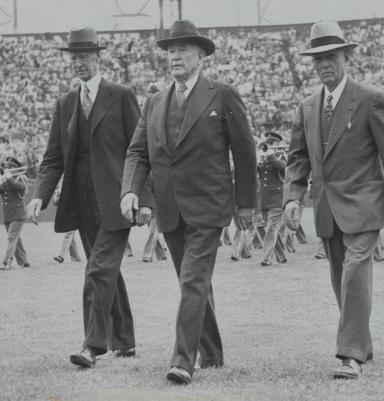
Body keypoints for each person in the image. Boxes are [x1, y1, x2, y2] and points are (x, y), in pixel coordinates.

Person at [120, 19, 257, 384]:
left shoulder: (223, 94)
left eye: (182, 49)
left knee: (194, 279)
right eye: (170, 50)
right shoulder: (154, 101)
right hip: (169, 209)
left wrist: (246, 203)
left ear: (201, 56)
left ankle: (184, 359)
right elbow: (137, 152)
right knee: (191, 282)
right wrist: (131, 190)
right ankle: (212, 353)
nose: (175, 56)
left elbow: (245, 151)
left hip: (210, 207)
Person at [283, 21, 384, 379]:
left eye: (331, 56)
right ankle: (362, 344)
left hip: (364, 205)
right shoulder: (307, 107)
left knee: (355, 272)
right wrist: (292, 198)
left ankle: (350, 354)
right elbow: (298, 159)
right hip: (326, 210)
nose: (325, 64)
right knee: (341, 279)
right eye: (318, 59)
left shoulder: (371, 100)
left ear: (347, 56)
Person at [27, 27, 151, 368]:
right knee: (108, 270)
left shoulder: (121, 95)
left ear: (98, 57)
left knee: (98, 269)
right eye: (74, 57)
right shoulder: (65, 103)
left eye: (84, 56)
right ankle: (124, 342)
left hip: (118, 202)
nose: (78, 63)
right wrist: (40, 194)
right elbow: (53, 157)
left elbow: (141, 150)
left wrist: (144, 197)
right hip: (81, 203)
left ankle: (93, 345)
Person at [0, 157, 30, 270]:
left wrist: (10, 178)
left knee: (12, 237)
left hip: (18, 214)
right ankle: (24, 261)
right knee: (16, 238)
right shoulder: (4, 181)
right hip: (7, 214)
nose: (6, 170)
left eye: (9, 168)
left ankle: (7, 262)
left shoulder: (20, 177)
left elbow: (22, 189)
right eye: (6, 168)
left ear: (14, 169)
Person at [257, 132, 287, 266]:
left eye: (271, 143)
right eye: (267, 143)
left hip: (276, 199)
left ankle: (266, 258)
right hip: (264, 199)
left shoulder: (282, 157)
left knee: (271, 229)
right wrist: (258, 158)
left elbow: (282, 168)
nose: (268, 145)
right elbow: (257, 172)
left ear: (277, 144)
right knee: (270, 229)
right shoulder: (264, 159)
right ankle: (282, 256)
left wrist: (271, 156)